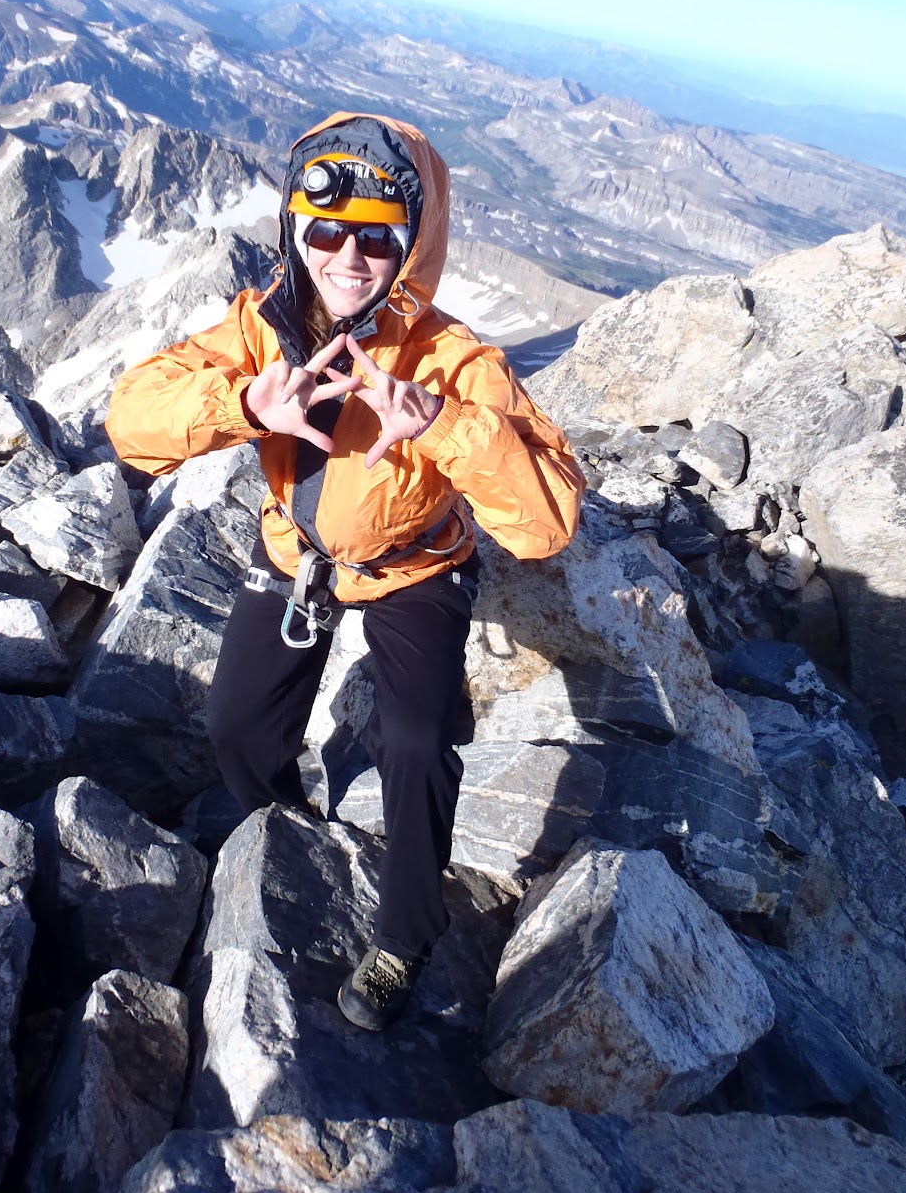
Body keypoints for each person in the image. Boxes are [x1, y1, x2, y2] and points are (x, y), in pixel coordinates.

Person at [106, 111, 584, 1029]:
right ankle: (287, 828)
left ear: (410, 247)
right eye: (324, 232)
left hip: (416, 568)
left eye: (376, 239)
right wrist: (244, 400)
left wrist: (443, 423)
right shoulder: (264, 324)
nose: (347, 256)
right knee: (238, 731)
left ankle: (406, 937)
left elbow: (549, 521)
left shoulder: (453, 358)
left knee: (413, 740)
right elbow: (133, 419)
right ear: (295, 230)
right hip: (297, 551)